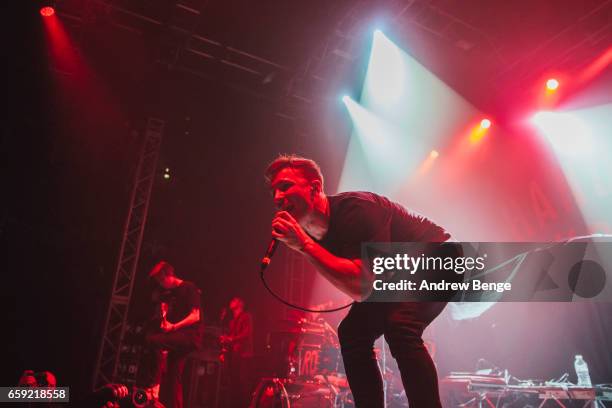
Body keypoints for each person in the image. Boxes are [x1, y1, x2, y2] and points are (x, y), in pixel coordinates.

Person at [265, 154, 454, 408]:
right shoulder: (315, 235)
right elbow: (360, 288)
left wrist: (304, 246)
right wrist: (306, 245)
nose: (277, 197)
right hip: (395, 275)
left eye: (285, 186)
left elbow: (363, 284)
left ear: (315, 188)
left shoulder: (357, 210)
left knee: (401, 326)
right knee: (352, 333)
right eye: (274, 190)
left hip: (438, 256)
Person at [137, 261, 203, 408]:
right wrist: (165, 320)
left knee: (152, 340)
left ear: (168, 276)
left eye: (161, 281)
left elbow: (195, 316)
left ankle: (154, 384)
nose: (160, 285)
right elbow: (169, 317)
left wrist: (173, 327)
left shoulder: (188, 287)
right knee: (173, 377)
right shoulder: (171, 294)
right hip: (178, 338)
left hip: (189, 336)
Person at [219, 297, 254, 408]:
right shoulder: (232, 320)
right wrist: (225, 340)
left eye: (234, 300)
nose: (231, 302)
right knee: (234, 382)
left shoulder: (246, 316)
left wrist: (231, 339)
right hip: (234, 355)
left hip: (243, 354)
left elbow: (247, 333)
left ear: (240, 304)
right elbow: (232, 337)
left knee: (243, 382)